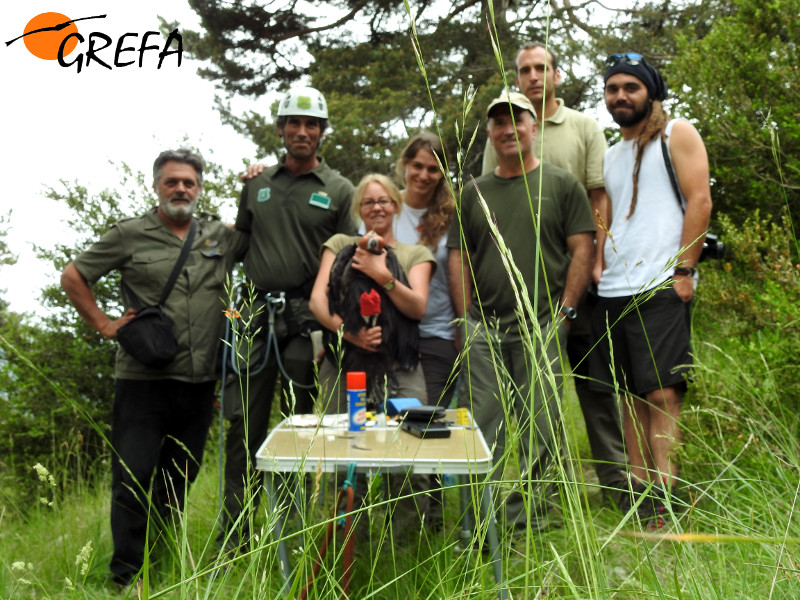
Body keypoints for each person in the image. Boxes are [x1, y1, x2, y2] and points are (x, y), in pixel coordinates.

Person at [61, 149, 247, 587]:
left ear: (199, 189)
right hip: (142, 381)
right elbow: (73, 276)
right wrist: (105, 325)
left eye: (189, 183)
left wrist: (255, 180)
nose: (181, 189)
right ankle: (125, 577)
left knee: (178, 481)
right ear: (156, 186)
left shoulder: (221, 237)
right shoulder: (128, 235)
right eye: (172, 182)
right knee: (132, 478)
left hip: (200, 382)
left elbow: (266, 234)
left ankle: (159, 564)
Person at [482, 42, 628, 505]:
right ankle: (537, 491)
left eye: (542, 68)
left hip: (578, 280)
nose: (533, 76)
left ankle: (618, 485)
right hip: (524, 292)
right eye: (525, 70)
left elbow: (598, 196)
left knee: (595, 383)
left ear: (557, 75)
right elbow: (492, 204)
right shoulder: (506, 126)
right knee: (532, 398)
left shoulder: (583, 126)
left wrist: (597, 260)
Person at [449, 91, 595, 531]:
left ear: (534, 127)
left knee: (542, 428)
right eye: (498, 122)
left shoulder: (561, 183)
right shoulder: (473, 192)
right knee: (482, 428)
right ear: (490, 134)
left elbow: (582, 247)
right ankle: (481, 521)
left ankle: (533, 519)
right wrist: (466, 319)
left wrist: (566, 315)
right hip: (486, 332)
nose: (507, 129)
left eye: (517, 120)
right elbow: (459, 256)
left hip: (544, 326)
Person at [220, 86, 357, 547]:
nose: (303, 132)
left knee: (299, 426)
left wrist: (335, 327)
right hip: (256, 317)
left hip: (305, 323)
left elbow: (346, 264)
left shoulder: (339, 190)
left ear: (322, 132)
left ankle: (293, 529)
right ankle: (235, 531)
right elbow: (236, 244)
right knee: (244, 426)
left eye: (311, 125)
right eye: (294, 123)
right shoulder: (257, 184)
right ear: (280, 129)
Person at [590, 53, 712, 529]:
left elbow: (699, 198)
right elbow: (608, 216)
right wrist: (600, 264)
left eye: (630, 87)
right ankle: (639, 495)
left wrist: (685, 269)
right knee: (630, 394)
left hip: (661, 281)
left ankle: (666, 495)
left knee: (662, 393)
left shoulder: (675, 133)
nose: (620, 96)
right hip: (616, 288)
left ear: (650, 91)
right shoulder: (609, 152)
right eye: (612, 88)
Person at [310, 174, 435, 535]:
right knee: (344, 457)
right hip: (346, 367)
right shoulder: (338, 244)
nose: (377, 207)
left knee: (411, 458)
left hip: (401, 368)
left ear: (396, 205)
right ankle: (349, 551)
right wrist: (349, 334)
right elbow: (318, 300)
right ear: (358, 209)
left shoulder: (415, 254)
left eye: (384, 200)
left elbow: (417, 307)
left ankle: (406, 552)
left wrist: (382, 275)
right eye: (368, 202)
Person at [393, 132, 458, 529]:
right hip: (391, 335)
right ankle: (393, 518)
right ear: (404, 164)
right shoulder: (386, 205)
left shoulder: (451, 215)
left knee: (425, 426)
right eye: (417, 165)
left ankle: (429, 518)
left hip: (436, 332)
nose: (424, 174)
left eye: (433, 168)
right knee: (390, 425)